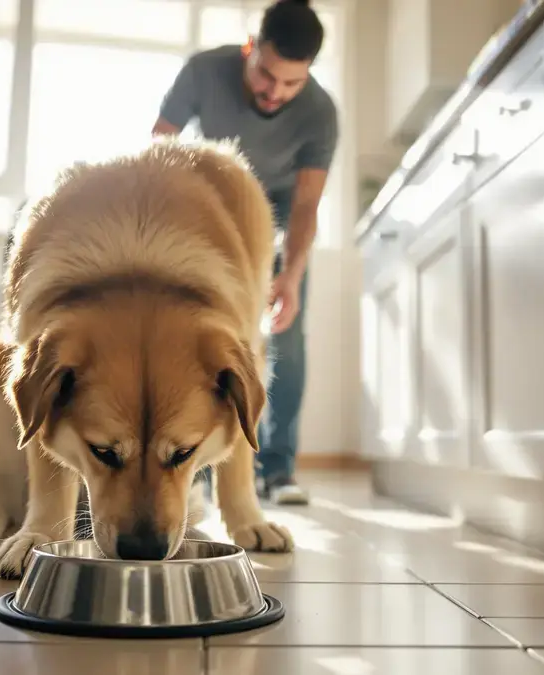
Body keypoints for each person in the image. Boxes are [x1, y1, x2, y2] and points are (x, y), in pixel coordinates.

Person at [151, 0, 339, 506]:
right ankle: (206, 470)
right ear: (250, 48)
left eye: (290, 84)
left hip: (275, 218)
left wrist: (292, 276)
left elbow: (306, 204)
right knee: (208, 335)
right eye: (266, 76)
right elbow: (157, 147)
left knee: (287, 336)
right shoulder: (203, 70)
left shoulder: (320, 112)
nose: (274, 93)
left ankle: (278, 470)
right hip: (210, 205)